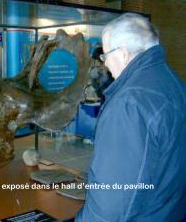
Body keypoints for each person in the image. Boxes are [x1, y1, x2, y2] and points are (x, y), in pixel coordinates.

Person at [76, 13, 186, 221]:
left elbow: (111, 201)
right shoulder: (175, 84)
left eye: (105, 55)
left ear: (123, 53)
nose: (105, 63)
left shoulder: (129, 103)